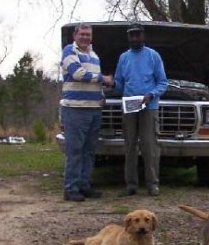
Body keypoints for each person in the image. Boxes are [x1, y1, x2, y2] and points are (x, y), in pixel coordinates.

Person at [114, 22, 168, 196]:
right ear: (128, 37)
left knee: (149, 145)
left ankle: (152, 184)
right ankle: (131, 184)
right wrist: (110, 83)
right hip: (130, 106)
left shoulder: (153, 56)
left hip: (149, 105)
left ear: (143, 36)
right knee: (129, 145)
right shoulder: (123, 58)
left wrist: (151, 94)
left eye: (138, 34)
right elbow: (119, 83)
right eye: (132, 35)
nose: (135, 37)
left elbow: (163, 82)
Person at [60, 23, 113, 202]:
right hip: (75, 109)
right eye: (82, 34)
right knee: (75, 151)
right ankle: (71, 188)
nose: (85, 37)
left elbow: (94, 83)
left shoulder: (94, 55)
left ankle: (84, 185)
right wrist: (104, 78)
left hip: (94, 109)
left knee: (89, 151)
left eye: (88, 35)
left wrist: (102, 95)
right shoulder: (69, 51)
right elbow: (78, 74)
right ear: (75, 36)